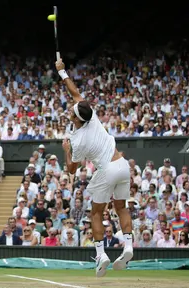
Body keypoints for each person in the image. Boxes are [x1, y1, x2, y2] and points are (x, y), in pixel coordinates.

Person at [56, 59, 133, 277]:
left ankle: (101, 255)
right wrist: (62, 72)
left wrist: (66, 150)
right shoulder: (91, 116)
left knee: (96, 213)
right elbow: (75, 92)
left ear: (76, 119)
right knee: (121, 208)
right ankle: (128, 247)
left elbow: (71, 170)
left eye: (72, 112)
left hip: (107, 170)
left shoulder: (77, 139)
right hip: (123, 166)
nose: (70, 111)